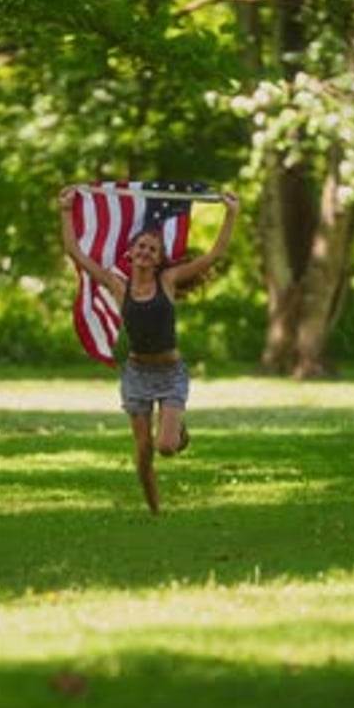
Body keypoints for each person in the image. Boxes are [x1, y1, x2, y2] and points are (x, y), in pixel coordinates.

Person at [59, 186, 239, 514]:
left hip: (170, 373)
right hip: (137, 374)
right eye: (141, 246)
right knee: (143, 450)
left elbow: (213, 256)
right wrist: (66, 211)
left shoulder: (168, 281)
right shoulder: (118, 286)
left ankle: (177, 431)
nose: (145, 252)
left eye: (152, 249)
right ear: (130, 253)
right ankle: (155, 511)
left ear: (159, 258)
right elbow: (76, 253)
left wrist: (231, 214)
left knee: (166, 447)